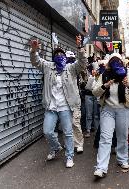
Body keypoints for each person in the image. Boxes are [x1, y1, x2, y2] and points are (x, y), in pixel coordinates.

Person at [29, 36, 87, 168]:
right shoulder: (48, 67)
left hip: (66, 107)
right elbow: (36, 61)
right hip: (52, 107)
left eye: (62, 54)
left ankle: (69, 156)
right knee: (48, 131)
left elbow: (82, 63)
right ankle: (55, 147)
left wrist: (80, 48)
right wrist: (33, 50)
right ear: (53, 57)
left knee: (68, 132)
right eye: (57, 54)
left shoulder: (70, 68)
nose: (60, 56)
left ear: (65, 57)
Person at [91, 53, 129, 178]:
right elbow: (94, 92)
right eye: (113, 61)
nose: (116, 64)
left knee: (122, 136)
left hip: (123, 109)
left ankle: (122, 159)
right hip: (107, 109)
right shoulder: (104, 75)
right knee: (105, 138)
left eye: (118, 61)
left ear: (122, 62)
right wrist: (104, 86)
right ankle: (101, 167)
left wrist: (128, 84)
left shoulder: (127, 73)